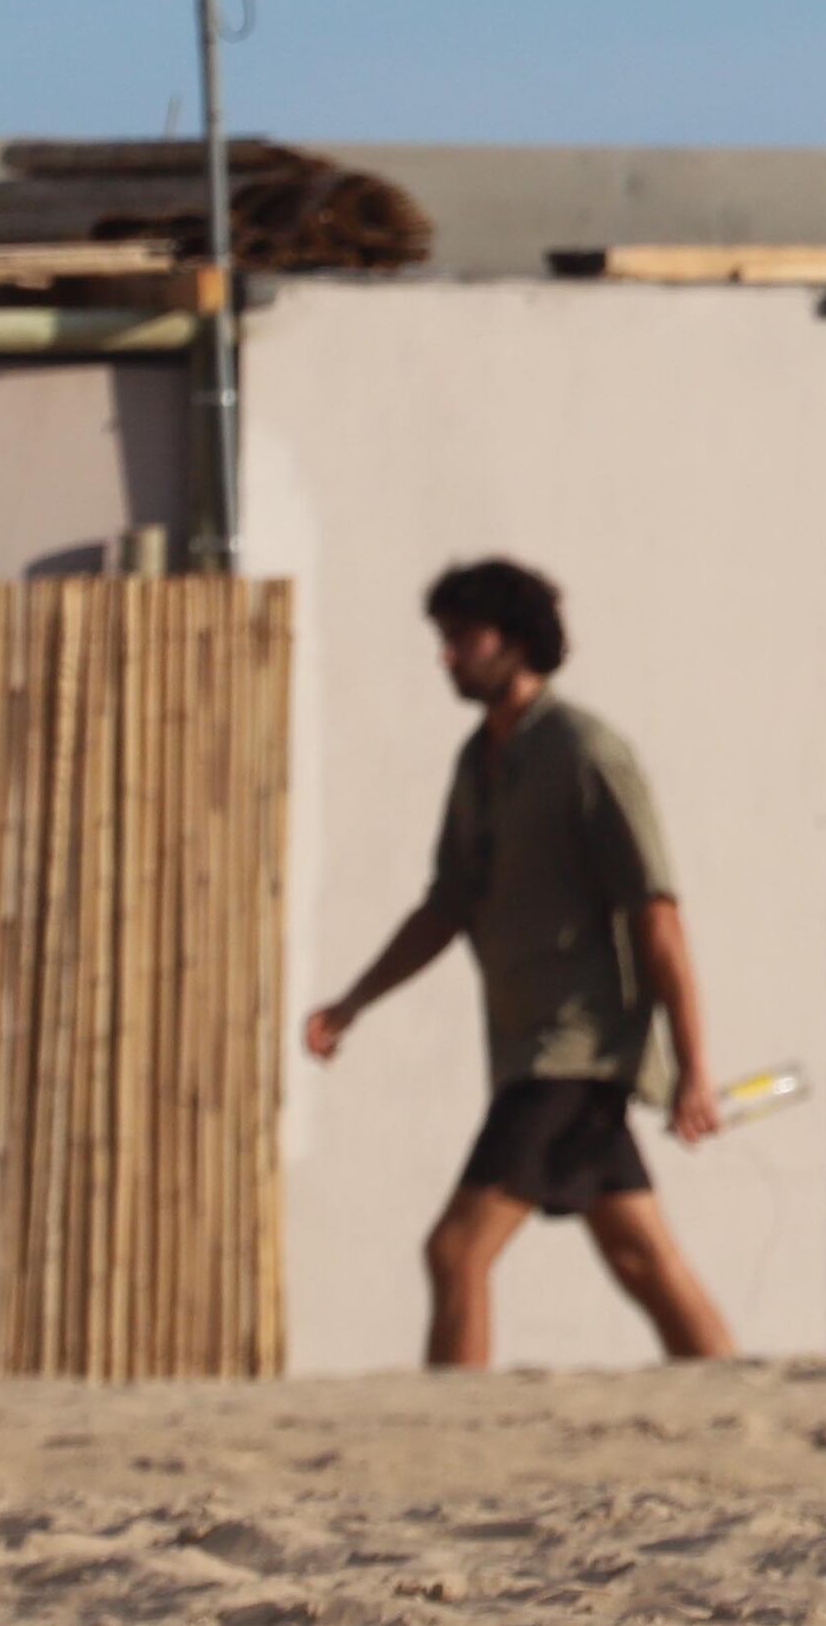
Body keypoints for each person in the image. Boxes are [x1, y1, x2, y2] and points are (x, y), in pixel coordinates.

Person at [302, 557, 739, 1370]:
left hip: (572, 1055)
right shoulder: (480, 764)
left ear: (515, 641)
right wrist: (354, 1000)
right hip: (525, 1051)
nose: (448, 657)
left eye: (463, 638)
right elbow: (447, 906)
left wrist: (693, 1064)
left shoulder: (587, 755)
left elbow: (659, 914)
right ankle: (739, 1402)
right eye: (444, 640)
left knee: (456, 1250)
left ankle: (452, 1442)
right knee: (641, 1257)